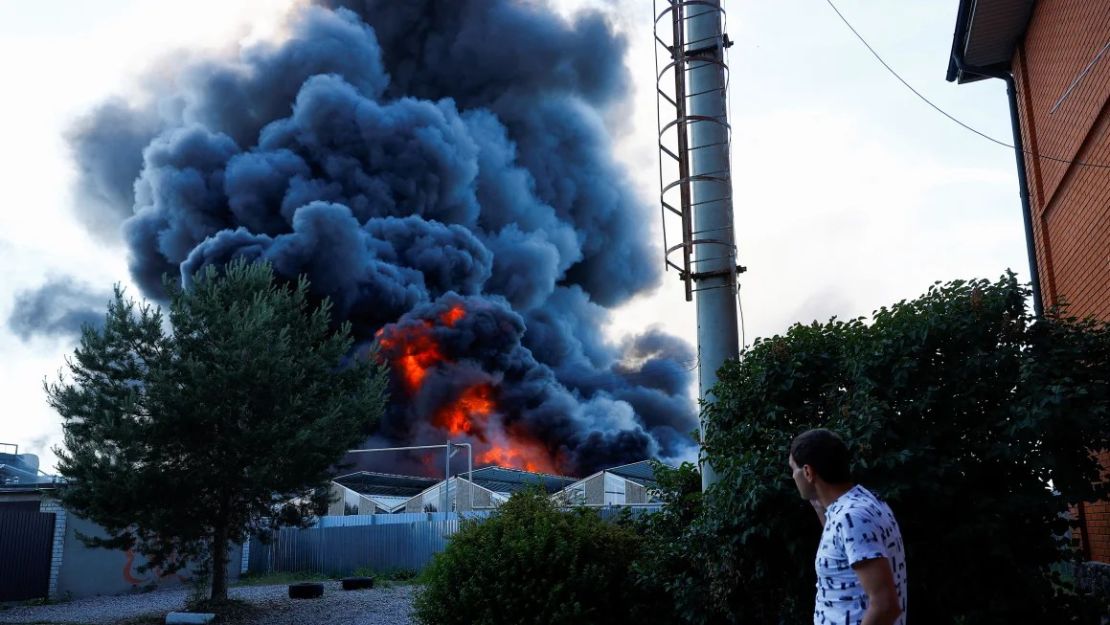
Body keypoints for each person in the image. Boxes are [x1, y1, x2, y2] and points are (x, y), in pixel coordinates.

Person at [789, 428, 907, 625]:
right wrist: (818, 503)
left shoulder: (852, 517)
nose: (793, 476)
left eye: (793, 469)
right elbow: (843, 550)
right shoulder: (863, 502)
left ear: (808, 472)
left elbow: (885, 606)